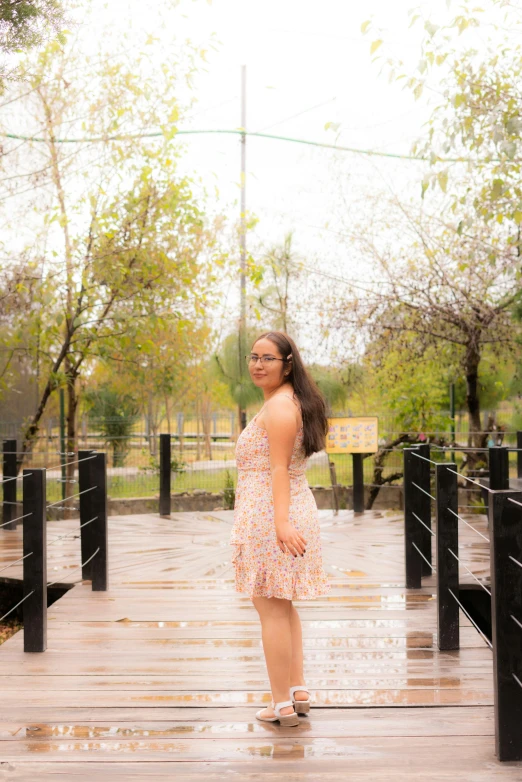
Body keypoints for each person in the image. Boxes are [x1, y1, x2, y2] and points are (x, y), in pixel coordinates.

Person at [230, 330, 331, 727]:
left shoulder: (280, 407)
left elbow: (278, 469)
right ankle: (297, 689)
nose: (257, 364)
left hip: (272, 514)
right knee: (282, 604)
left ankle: (280, 703)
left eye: (267, 358)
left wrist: (281, 523)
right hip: (276, 511)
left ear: (287, 363)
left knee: (270, 607)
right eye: (254, 357)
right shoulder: (288, 401)